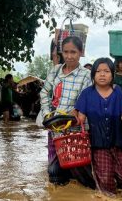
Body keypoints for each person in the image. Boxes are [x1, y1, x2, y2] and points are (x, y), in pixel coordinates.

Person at [75, 58, 122, 196]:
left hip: (119, 142)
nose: (102, 74)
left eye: (106, 71)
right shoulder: (87, 93)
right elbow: (80, 117)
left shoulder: (119, 92)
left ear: (112, 74)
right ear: (93, 74)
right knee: (105, 184)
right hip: (98, 144)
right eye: (98, 71)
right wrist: (70, 121)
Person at [39, 36, 95, 189]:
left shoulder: (86, 74)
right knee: (54, 173)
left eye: (73, 52)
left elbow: (85, 99)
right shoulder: (55, 71)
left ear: (81, 53)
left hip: (76, 130)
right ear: (61, 52)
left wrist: (75, 111)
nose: (69, 56)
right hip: (55, 128)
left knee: (80, 170)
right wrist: (47, 115)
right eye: (66, 52)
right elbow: (44, 93)